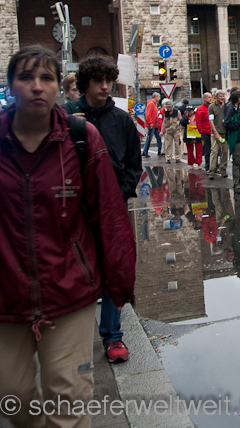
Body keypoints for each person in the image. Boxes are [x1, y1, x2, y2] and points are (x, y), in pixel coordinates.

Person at [0, 45, 135, 427]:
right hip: (7, 292)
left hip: (68, 285)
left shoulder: (80, 136)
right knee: (13, 395)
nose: (36, 86)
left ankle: (112, 335)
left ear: (59, 85)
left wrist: (119, 280)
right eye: (26, 77)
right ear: (10, 86)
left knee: (69, 396)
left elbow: (110, 212)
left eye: (46, 78)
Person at [63, 54, 142, 363]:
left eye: (109, 80)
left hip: (112, 208)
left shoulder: (121, 120)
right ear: (85, 84)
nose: (106, 87)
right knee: (77, 271)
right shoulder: (67, 116)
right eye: (99, 81)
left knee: (113, 267)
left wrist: (119, 195)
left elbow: (133, 164)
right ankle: (74, 338)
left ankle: (113, 335)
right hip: (75, 209)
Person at [208, 89, 229, 178]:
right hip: (215, 133)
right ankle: (212, 171)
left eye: (223, 96)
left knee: (225, 151)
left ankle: (223, 169)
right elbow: (211, 121)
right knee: (214, 151)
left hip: (225, 133)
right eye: (220, 96)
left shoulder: (227, 106)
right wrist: (215, 133)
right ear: (216, 97)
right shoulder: (212, 107)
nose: (222, 98)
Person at [196, 92, 212, 171]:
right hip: (206, 132)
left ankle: (215, 166)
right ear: (204, 98)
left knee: (215, 151)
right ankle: (208, 166)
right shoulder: (200, 109)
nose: (210, 99)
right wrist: (202, 132)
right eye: (208, 97)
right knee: (207, 150)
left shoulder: (212, 107)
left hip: (213, 131)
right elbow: (198, 122)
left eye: (211, 97)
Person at [141, 91, 162, 157]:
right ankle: (145, 152)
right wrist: (150, 123)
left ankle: (160, 150)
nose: (159, 98)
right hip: (152, 124)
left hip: (155, 124)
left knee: (158, 137)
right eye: (159, 97)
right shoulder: (151, 104)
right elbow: (148, 114)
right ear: (155, 97)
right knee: (149, 138)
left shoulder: (154, 104)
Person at [161, 98, 181, 163]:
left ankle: (177, 157)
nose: (168, 108)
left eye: (169, 107)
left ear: (172, 106)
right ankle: (168, 157)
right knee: (168, 144)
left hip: (176, 130)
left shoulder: (177, 112)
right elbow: (164, 122)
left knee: (177, 144)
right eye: (167, 107)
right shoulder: (166, 113)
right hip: (168, 130)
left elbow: (180, 120)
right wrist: (161, 131)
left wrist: (180, 127)